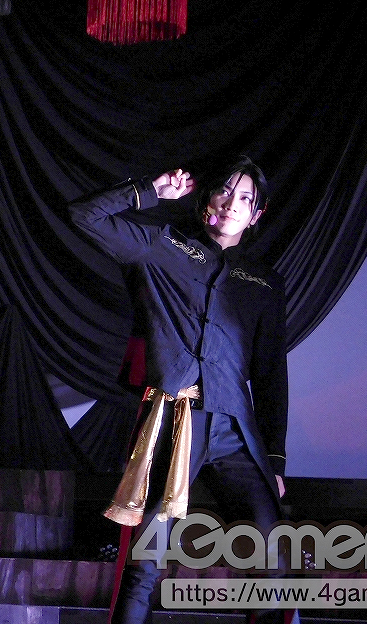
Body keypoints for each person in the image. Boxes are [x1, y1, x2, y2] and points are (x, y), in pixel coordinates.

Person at [69, 157, 293, 624]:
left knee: (273, 553)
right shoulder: (164, 247)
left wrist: (274, 460)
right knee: (147, 559)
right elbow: (84, 216)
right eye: (225, 190)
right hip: (174, 421)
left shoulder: (265, 283)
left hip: (235, 428)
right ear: (206, 199)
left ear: (256, 215)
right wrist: (150, 191)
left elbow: (271, 374)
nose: (232, 204)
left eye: (245, 198)